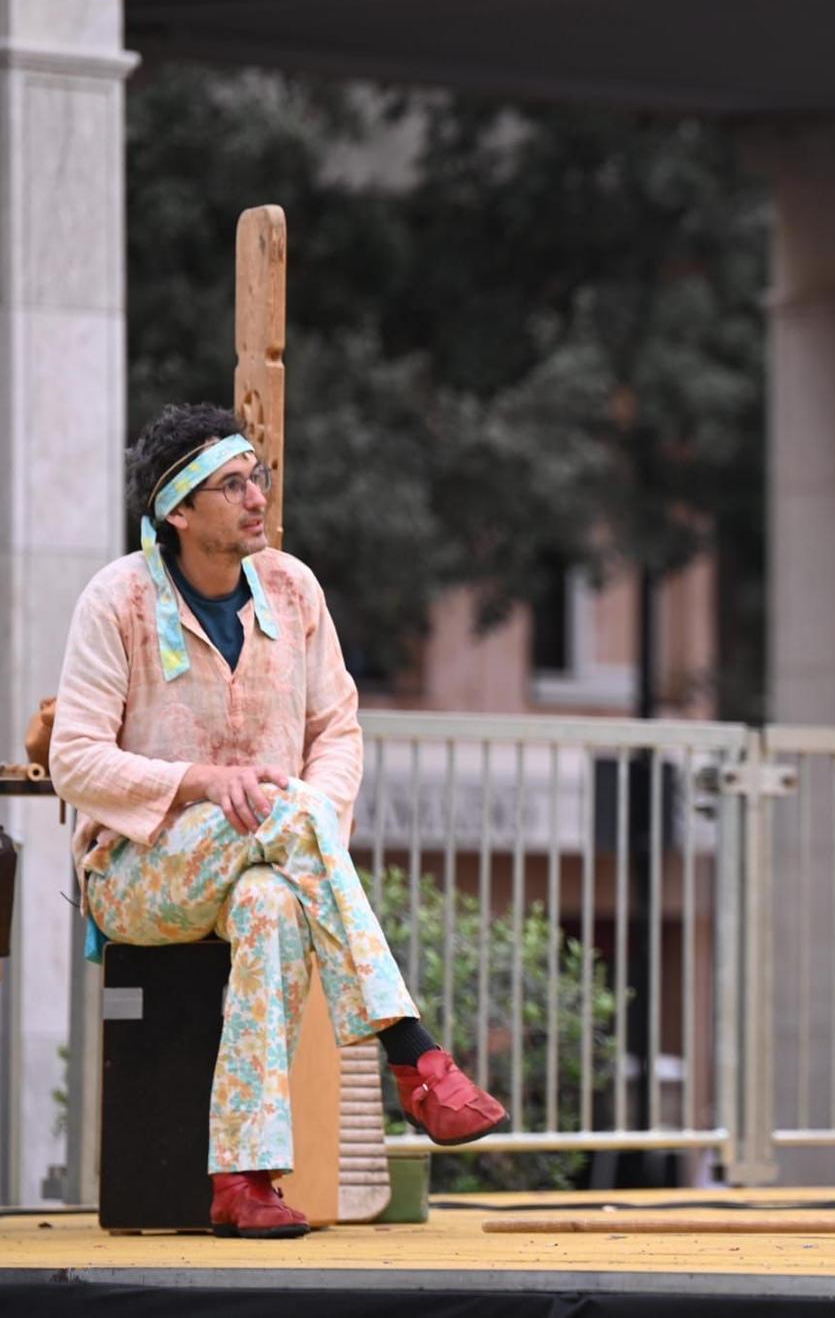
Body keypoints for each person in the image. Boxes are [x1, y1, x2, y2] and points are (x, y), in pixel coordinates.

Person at [52, 404, 509, 1239]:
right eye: (231, 484)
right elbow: (73, 760)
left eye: (256, 475)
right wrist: (197, 781)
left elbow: (336, 730)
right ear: (177, 512)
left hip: (274, 855)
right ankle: (415, 1056)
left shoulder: (295, 589)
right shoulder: (114, 600)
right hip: (136, 876)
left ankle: (244, 1180)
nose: (256, 495)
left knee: (269, 903)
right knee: (279, 818)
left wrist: (312, 823)